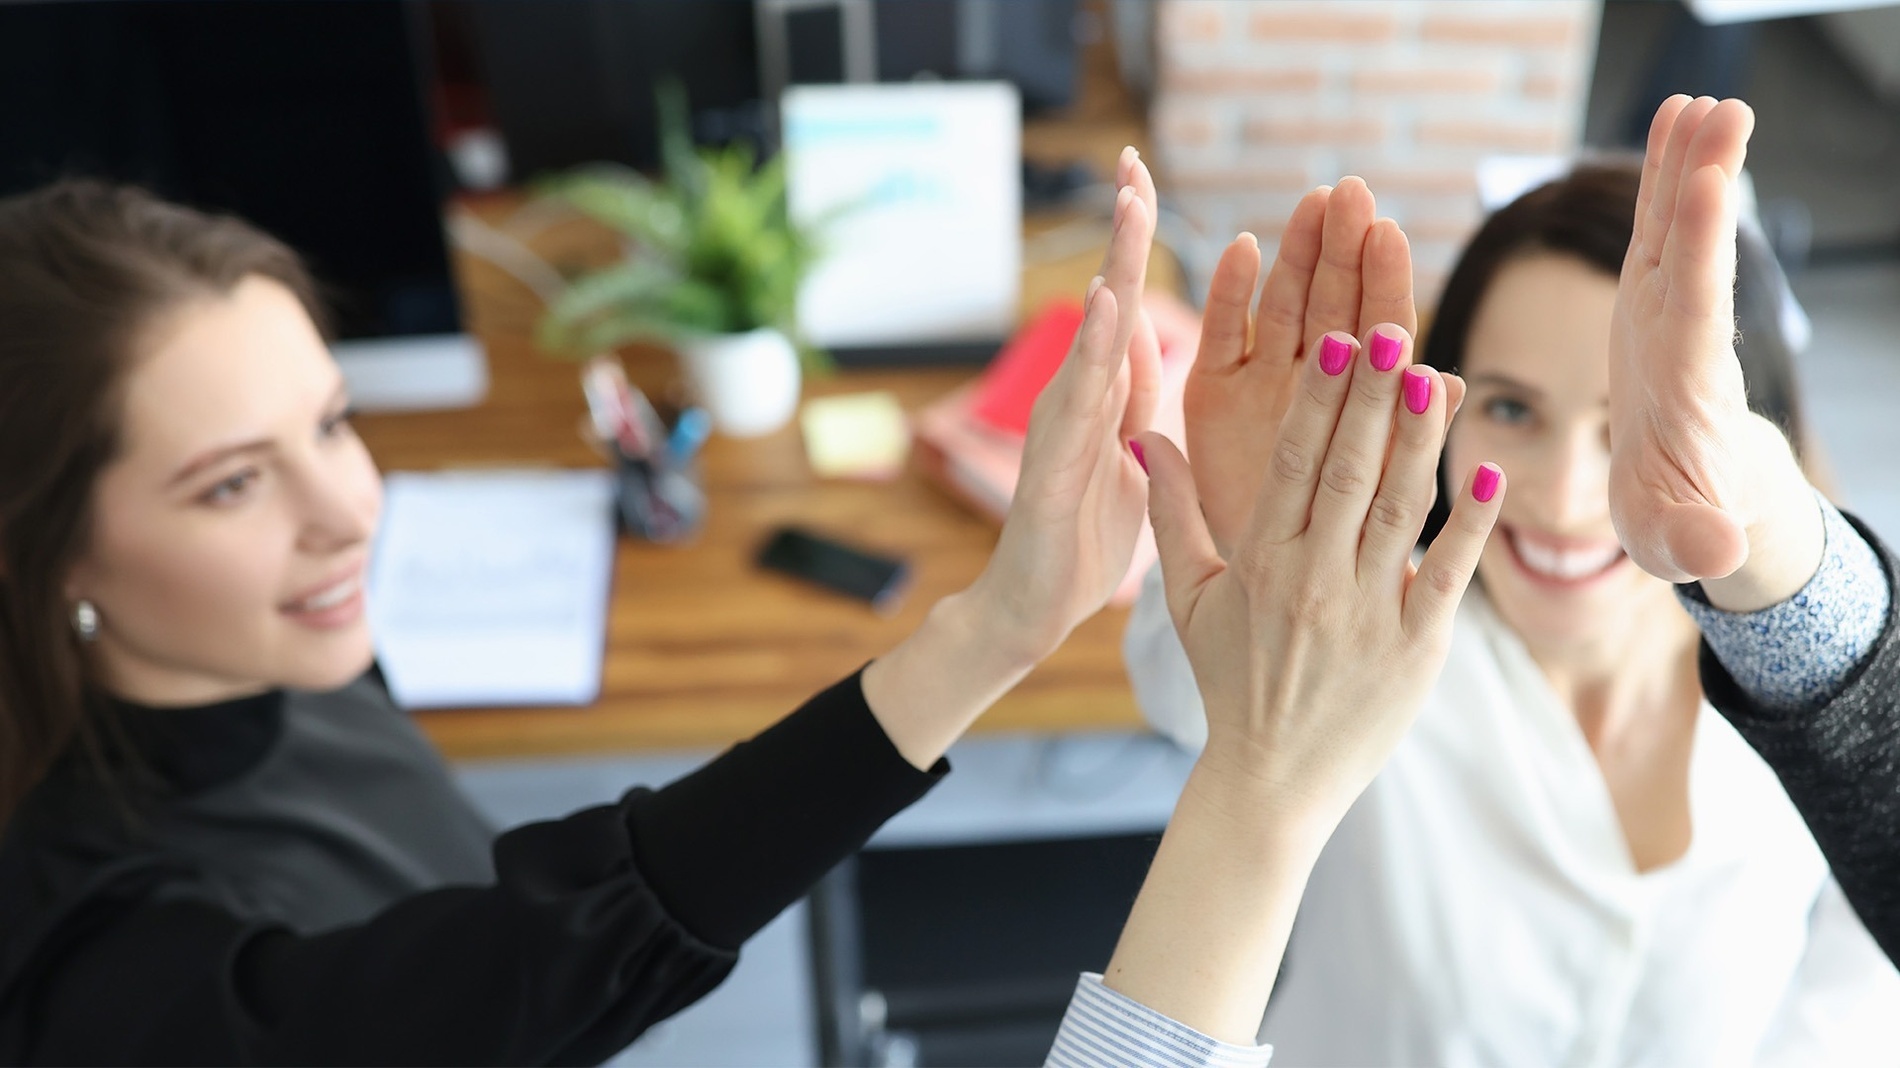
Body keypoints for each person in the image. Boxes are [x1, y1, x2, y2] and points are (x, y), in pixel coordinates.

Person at [0, 154, 1194, 1064]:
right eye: (232, 482)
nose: (349, 511)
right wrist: (990, 632)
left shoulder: (269, 658)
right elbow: (514, 967)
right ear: (49, 553)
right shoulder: (99, 972)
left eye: (330, 422)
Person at [1121, 99, 1900, 1064]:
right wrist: (1260, 560)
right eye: (1510, 409)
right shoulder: (1366, 635)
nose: (1569, 496)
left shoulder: (1823, 693)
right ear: (1444, 407)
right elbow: (1185, 695)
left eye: (1629, 423)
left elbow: (1859, 995)